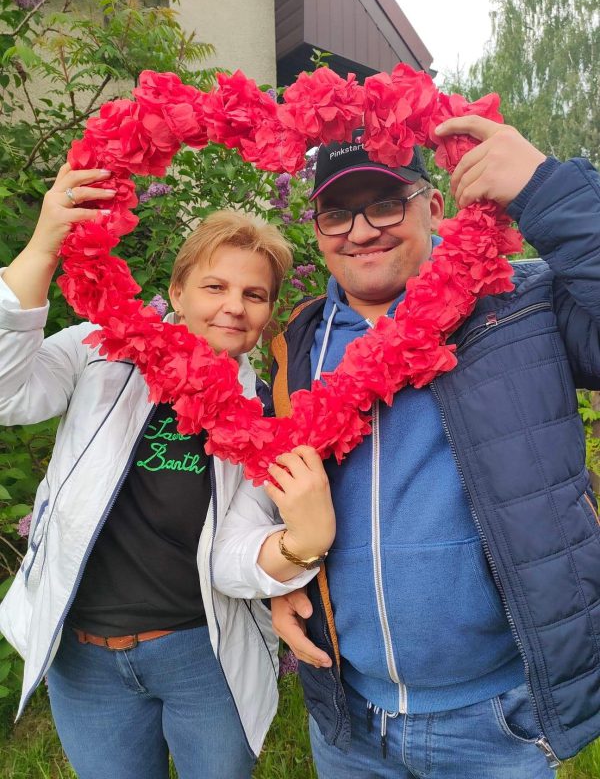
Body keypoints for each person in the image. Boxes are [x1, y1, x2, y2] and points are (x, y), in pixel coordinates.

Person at [239, 116, 600, 778]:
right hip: (351, 725)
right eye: (335, 214)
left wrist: (546, 188)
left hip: (499, 721)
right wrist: (280, 575)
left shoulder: (521, 302)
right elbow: (276, 485)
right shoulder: (299, 340)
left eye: (385, 203)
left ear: (433, 206)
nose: (360, 231)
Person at [0, 163, 336, 779]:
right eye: (215, 286)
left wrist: (299, 546)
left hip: (202, 654)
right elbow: (5, 392)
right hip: (85, 659)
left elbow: (233, 558)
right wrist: (46, 244)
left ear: (268, 311)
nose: (233, 307)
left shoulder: (264, 414)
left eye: (254, 295)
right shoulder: (100, 354)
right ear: (178, 293)